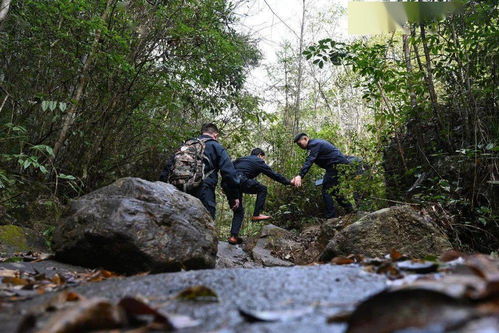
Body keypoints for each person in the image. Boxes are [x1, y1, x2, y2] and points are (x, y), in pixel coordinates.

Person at [160, 123, 240, 219]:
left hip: (178, 192)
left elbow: (167, 169)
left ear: (202, 132)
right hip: (204, 192)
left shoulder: (186, 146)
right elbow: (229, 174)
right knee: (205, 227)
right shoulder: (216, 146)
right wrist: (233, 197)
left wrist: (163, 191)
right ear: (216, 135)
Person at [223, 148, 292, 245]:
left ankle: (233, 237)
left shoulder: (239, 160)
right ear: (260, 155)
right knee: (262, 189)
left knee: (238, 211)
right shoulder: (258, 161)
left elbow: (227, 172)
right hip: (240, 180)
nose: (263, 161)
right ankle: (256, 214)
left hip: (229, 184)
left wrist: (226, 189)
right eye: (263, 158)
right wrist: (288, 182)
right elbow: (273, 174)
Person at [291, 133, 353, 219]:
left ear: (305, 139)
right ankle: (350, 209)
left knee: (326, 190)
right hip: (337, 166)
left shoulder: (313, 144)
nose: (299, 146)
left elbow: (309, 160)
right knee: (334, 190)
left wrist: (300, 176)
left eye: (299, 143)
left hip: (335, 165)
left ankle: (331, 217)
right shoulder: (316, 143)